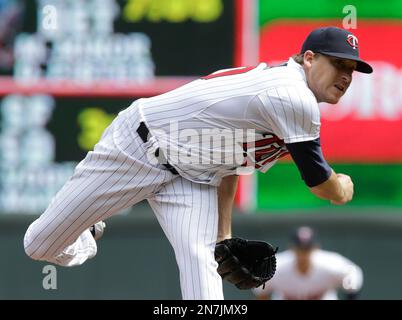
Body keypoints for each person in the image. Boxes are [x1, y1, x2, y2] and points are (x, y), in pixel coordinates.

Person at [23, 26, 373, 300]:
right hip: (139, 146)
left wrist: (224, 237)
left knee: (202, 282)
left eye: (352, 70)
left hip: (193, 179)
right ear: (309, 59)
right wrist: (341, 185)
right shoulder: (292, 95)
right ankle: (86, 233)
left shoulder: (288, 105)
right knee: (39, 245)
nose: (346, 75)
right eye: (338, 63)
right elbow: (321, 184)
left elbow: (233, 163)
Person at [252, 226, 363, 300]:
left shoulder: (329, 264)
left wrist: (350, 290)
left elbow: (353, 274)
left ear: (316, 248)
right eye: (300, 249)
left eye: (307, 249)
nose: (303, 254)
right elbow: (260, 293)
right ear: (291, 248)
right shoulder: (275, 268)